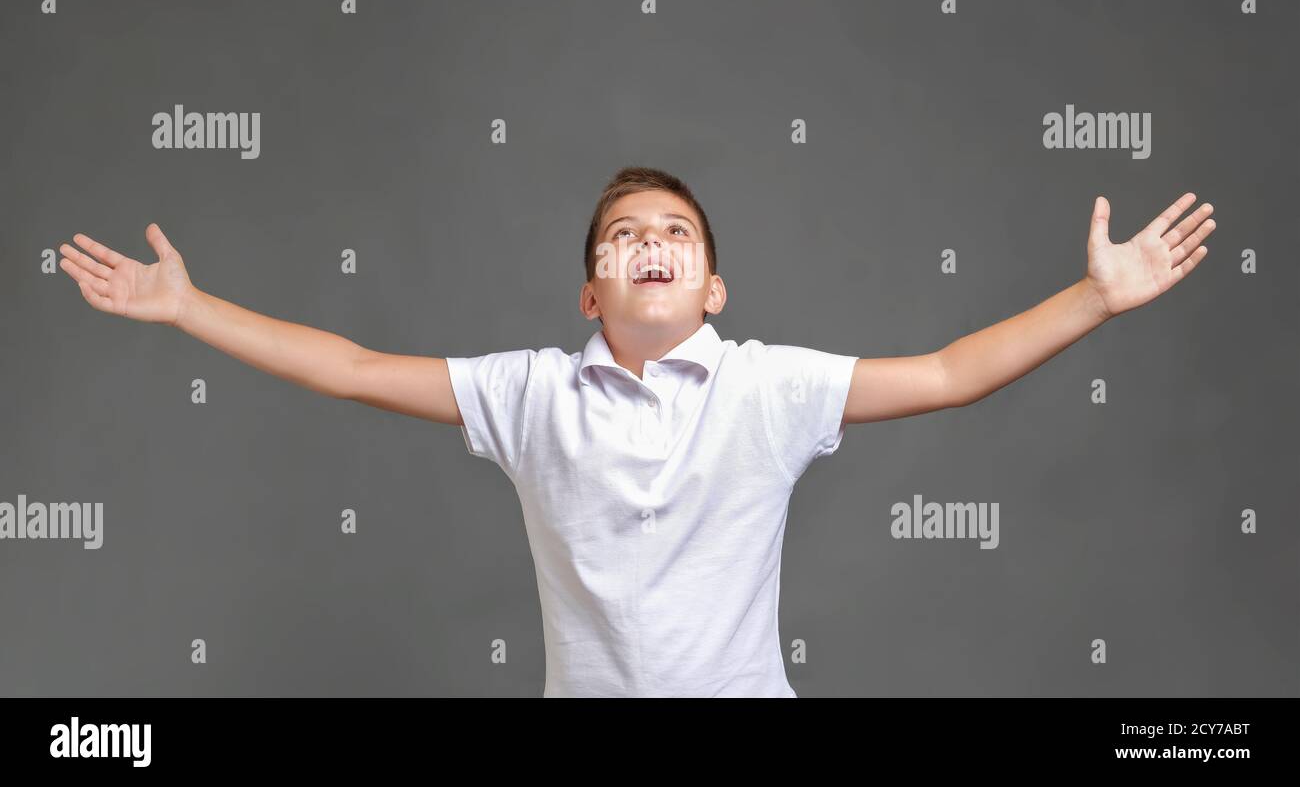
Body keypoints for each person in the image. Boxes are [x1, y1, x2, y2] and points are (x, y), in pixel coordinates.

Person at [57, 166, 1215, 696]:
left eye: (674, 231)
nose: (648, 241)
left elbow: (954, 371)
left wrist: (1097, 298)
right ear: (587, 293)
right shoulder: (529, 395)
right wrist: (186, 305)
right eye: (620, 235)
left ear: (712, 286)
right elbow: (355, 366)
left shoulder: (768, 387)